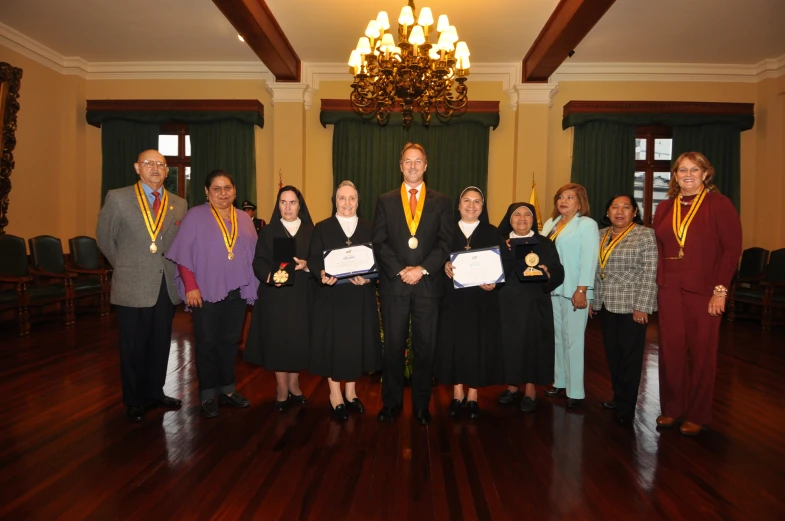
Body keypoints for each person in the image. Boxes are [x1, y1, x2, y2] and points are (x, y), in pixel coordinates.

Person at [653, 152, 741, 435]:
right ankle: (672, 408)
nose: (688, 174)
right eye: (682, 170)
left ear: (706, 174)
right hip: (669, 290)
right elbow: (659, 248)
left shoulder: (719, 204)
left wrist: (720, 291)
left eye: (695, 169)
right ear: (675, 176)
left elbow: (730, 251)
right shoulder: (665, 207)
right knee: (670, 352)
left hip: (704, 290)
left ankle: (698, 413)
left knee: (703, 354)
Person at [96, 149, 187, 422]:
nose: (155, 168)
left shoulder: (179, 203)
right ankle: (134, 399)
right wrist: (126, 265)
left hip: (165, 285)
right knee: (133, 346)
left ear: (167, 171)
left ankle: (155, 392)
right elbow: (104, 239)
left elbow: (178, 245)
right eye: (149, 163)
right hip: (132, 285)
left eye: (161, 164)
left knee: (161, 345)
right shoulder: (118, 197)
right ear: (137, 167)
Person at [166, 170, 258, 418]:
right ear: (207, 192)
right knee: (207, 343)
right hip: (204, 291)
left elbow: (255, 254)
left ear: (235, 191)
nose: (222, 193)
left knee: (229, 342)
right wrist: (190, 286)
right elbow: (183, 255)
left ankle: (227, 390)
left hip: (237, 291)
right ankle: (207, 394)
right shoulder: (195, 216)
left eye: (227, 188)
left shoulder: (244, 219)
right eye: (216, 189)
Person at [372, 143, 453, 426]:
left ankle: (421, 406)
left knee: (425, 348)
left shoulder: (441, 201)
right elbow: (379, 241)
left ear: (426, 165)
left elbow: (445, 241)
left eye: (418, 161)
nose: (413, 166)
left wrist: (422, 269)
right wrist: (399, 270)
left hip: (428, 286)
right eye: (408, 161)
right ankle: (391, 404)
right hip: (395, 285)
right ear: (400, 165)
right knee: (393, 348)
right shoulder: (386, 200)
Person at [308, 181, 382, 421]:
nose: (347, 203)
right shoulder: (322, 228)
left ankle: (350, 394)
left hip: (360, 298)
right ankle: (334, 395)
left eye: (352, 198)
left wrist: (370, 279)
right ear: (335, 201)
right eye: (342, 198)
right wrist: (321, 274)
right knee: (334, 346)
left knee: (353, 346)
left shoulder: (370, 228)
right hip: (332, 299)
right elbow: (314, 259)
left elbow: (380, 261)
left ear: (358, 202)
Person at [434, 187, 504, 420]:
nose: (471, 206)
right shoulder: (445, 231)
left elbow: (506, 264)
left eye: (476, 202)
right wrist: (444, 264)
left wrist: (495, 282)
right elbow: (434, 257)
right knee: (454, 347)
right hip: (453, 303)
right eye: (466, 201)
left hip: (481, 303)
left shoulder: (492, 232)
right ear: (458, 204)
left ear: (482, 208)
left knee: (477, 349)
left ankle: (473, 396)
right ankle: (457, 394)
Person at [244, 185, 315, 412]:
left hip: (302, 296)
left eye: (292, 202)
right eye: (283, 202)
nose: (287, 207)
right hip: (275, 297)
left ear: (299, 205)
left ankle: (295, 386)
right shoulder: (268, 231)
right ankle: (281, 389)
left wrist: (307, 266)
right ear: (278, 205)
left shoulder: (311, 231)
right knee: (278, 342)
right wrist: (268, 277)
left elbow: (319, 262)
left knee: (296, 341)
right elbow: (258, 262)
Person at [590, 194, 657, 426]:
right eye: (614, 207)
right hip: (606, 303)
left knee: (630, 356)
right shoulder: (600, 234)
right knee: (613, 354)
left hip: (632, 305)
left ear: (634, 212)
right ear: (607, 212)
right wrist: (592, 299)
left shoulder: (645, 235)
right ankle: (618, 396)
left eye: (626, 207)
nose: (620, 211)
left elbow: (650, 272)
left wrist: (643, 306)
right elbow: (595, 270)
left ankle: (627, 406)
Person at [497, 202, 565, 412]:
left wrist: (547, 273)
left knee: (532, 345)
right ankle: (511, 386)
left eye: (528, 215)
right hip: (506, 304)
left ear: (534, 220)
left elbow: (558, 272)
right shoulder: (500, 243)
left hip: (534, 304)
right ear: (510, 220)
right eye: (517, 215)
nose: (522, 219)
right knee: (509, 347)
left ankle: (530, 389)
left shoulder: (545, 244)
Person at [541, 183, 599, 408]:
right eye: (560, 197)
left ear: (580, 202)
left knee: (573, 341)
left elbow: (589, 258)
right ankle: (560, 381)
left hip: (575, 290)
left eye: (570, 197)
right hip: (552, 289)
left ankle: (575, 391)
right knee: (557, 338)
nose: (563, 201)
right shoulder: (550, 223)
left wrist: (582, 289)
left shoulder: (586, 225)